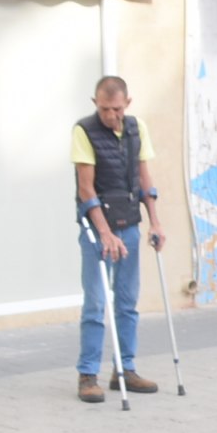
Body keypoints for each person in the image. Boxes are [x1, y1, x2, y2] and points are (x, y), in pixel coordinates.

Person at [72, 76, 166, 404]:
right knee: (96, 304)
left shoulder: (137, 128)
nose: (110, 115)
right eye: (103, 108)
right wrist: (105, 233)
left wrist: (154, 221)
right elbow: (86, 188)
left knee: (127, 302)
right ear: (95, 103)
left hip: (129, 224)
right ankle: (87, 375)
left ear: (128, 103)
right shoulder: (84, 131)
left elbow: (144, 177)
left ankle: (124, 369)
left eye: (115, 109)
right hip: (98, 230)